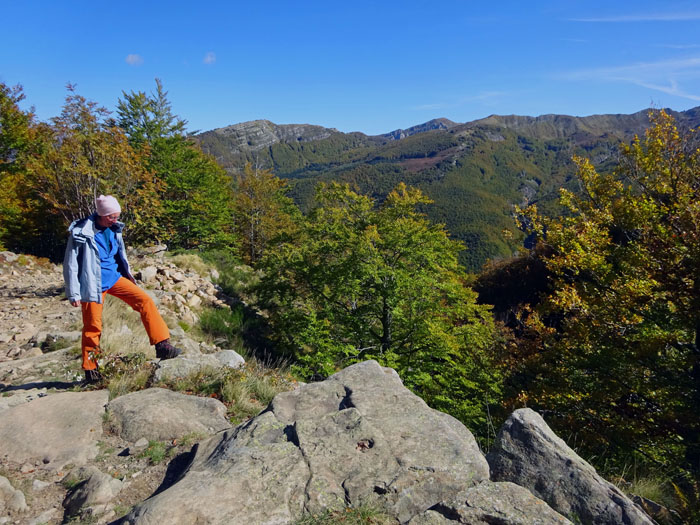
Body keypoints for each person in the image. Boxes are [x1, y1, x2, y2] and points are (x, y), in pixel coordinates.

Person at [64, 195, 181, 384]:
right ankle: (91, 369)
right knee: (92, 326)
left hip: (115, 278)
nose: (115, 220)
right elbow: (70, 264)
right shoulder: (81, 232)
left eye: (117, 216)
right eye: (111, 217)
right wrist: (73, 293)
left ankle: (162, 345)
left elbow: (119, 253)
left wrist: (128, 275)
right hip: (92, 285)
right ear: (101, 215)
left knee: (145, 301)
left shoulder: (114, 228)